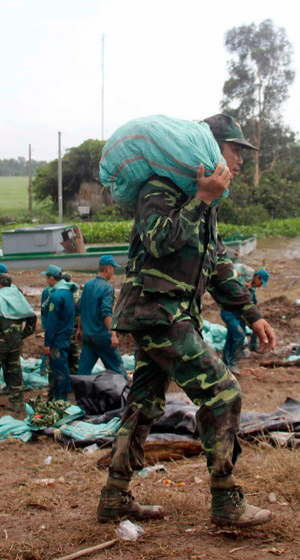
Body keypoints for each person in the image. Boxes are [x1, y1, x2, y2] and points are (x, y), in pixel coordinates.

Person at [96, 113, 276, 528]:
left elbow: (218, 264)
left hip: (168, 315)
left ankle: (114, 497)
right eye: (234, 150)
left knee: (143, 406)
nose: (240, 161)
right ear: (210, 148)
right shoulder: (159, 188)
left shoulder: (205, 203)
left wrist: (252, 314)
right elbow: (159, 240)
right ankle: (226, 500)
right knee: (224, 393)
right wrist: (202, 199)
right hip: (158, 314)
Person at [0, 273, 37, 412]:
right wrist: (23, 334)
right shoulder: (19, 298)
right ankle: (16, 403)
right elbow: (32, 316)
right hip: (15, 342)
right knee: (14, 371)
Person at [76, 255, 127, 377]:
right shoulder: (107, 287)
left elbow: (81, 309)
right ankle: (124, 388)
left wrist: (80, 329)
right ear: (108, 269)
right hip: (102, 337)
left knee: (83, 372)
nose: (113, 272)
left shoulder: (88, 285)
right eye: (113, 269)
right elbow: (106, 313)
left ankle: (78, 389)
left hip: (88, 336)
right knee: (117, 370)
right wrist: (113, 334)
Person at [42, 264, 76, 401]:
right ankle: (59, 395)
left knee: (59, 367)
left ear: (51, 278)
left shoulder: (55, 296)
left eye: (47, 278)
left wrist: (47, 343)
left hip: (57, 336)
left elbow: (51, 322)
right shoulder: (68, 293)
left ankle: (62, 396)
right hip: (66, 333)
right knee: (62, 364)